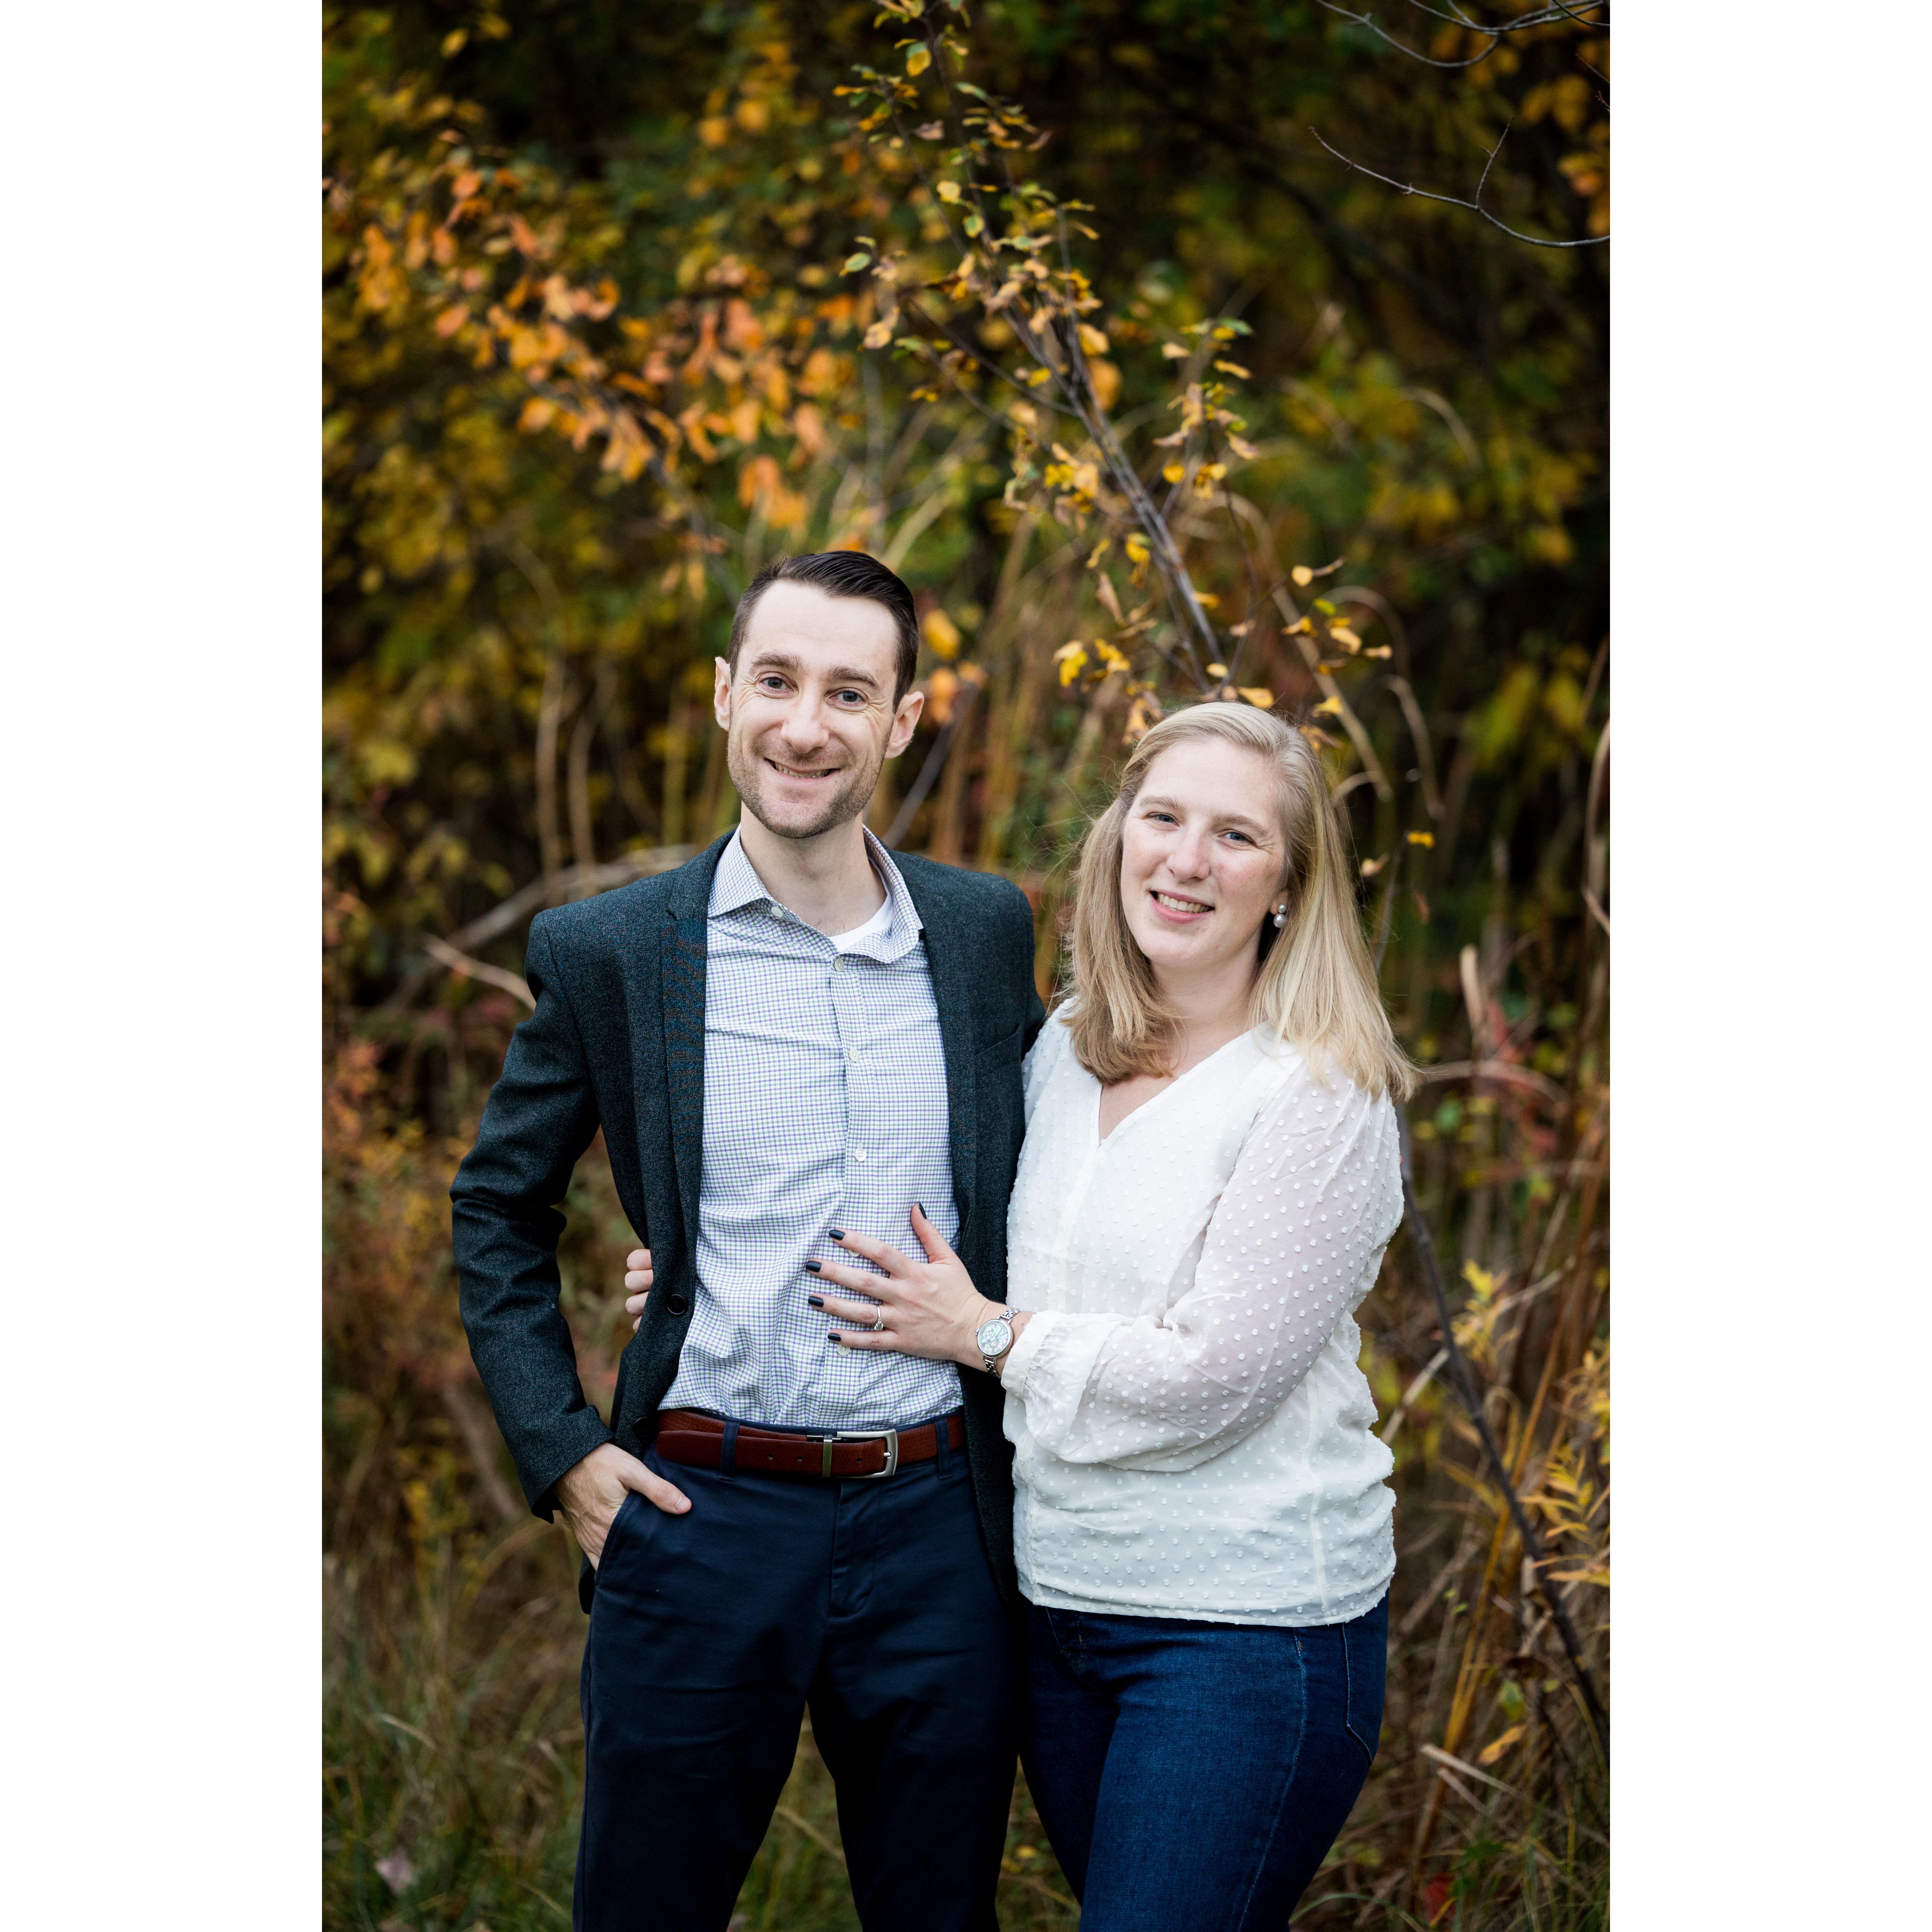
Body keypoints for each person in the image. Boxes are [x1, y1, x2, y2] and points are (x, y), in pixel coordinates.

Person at [627, 701, 1412, 1927]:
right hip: (1057, 1610)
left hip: (1243, 1631)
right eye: (1163, 818)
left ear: (1289, 889)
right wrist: (712, 1275)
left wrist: (990, 1337)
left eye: (1236, 837)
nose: (1187, 860)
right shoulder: (1063, 1053)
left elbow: (1217, 1375)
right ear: (1118, 838)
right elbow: (936, 1240)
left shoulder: (1317, 1093)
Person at [449, 549, 1043, 1932]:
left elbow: (1046, 1179)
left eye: (850, 693)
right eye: (776, 681)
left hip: (938, 1520)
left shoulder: (981, 932)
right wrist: (562, 1452)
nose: (805, 726)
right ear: (726, 696)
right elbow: (497, 1206)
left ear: (903, 721)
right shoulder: (612, 951)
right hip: (700, 1515)